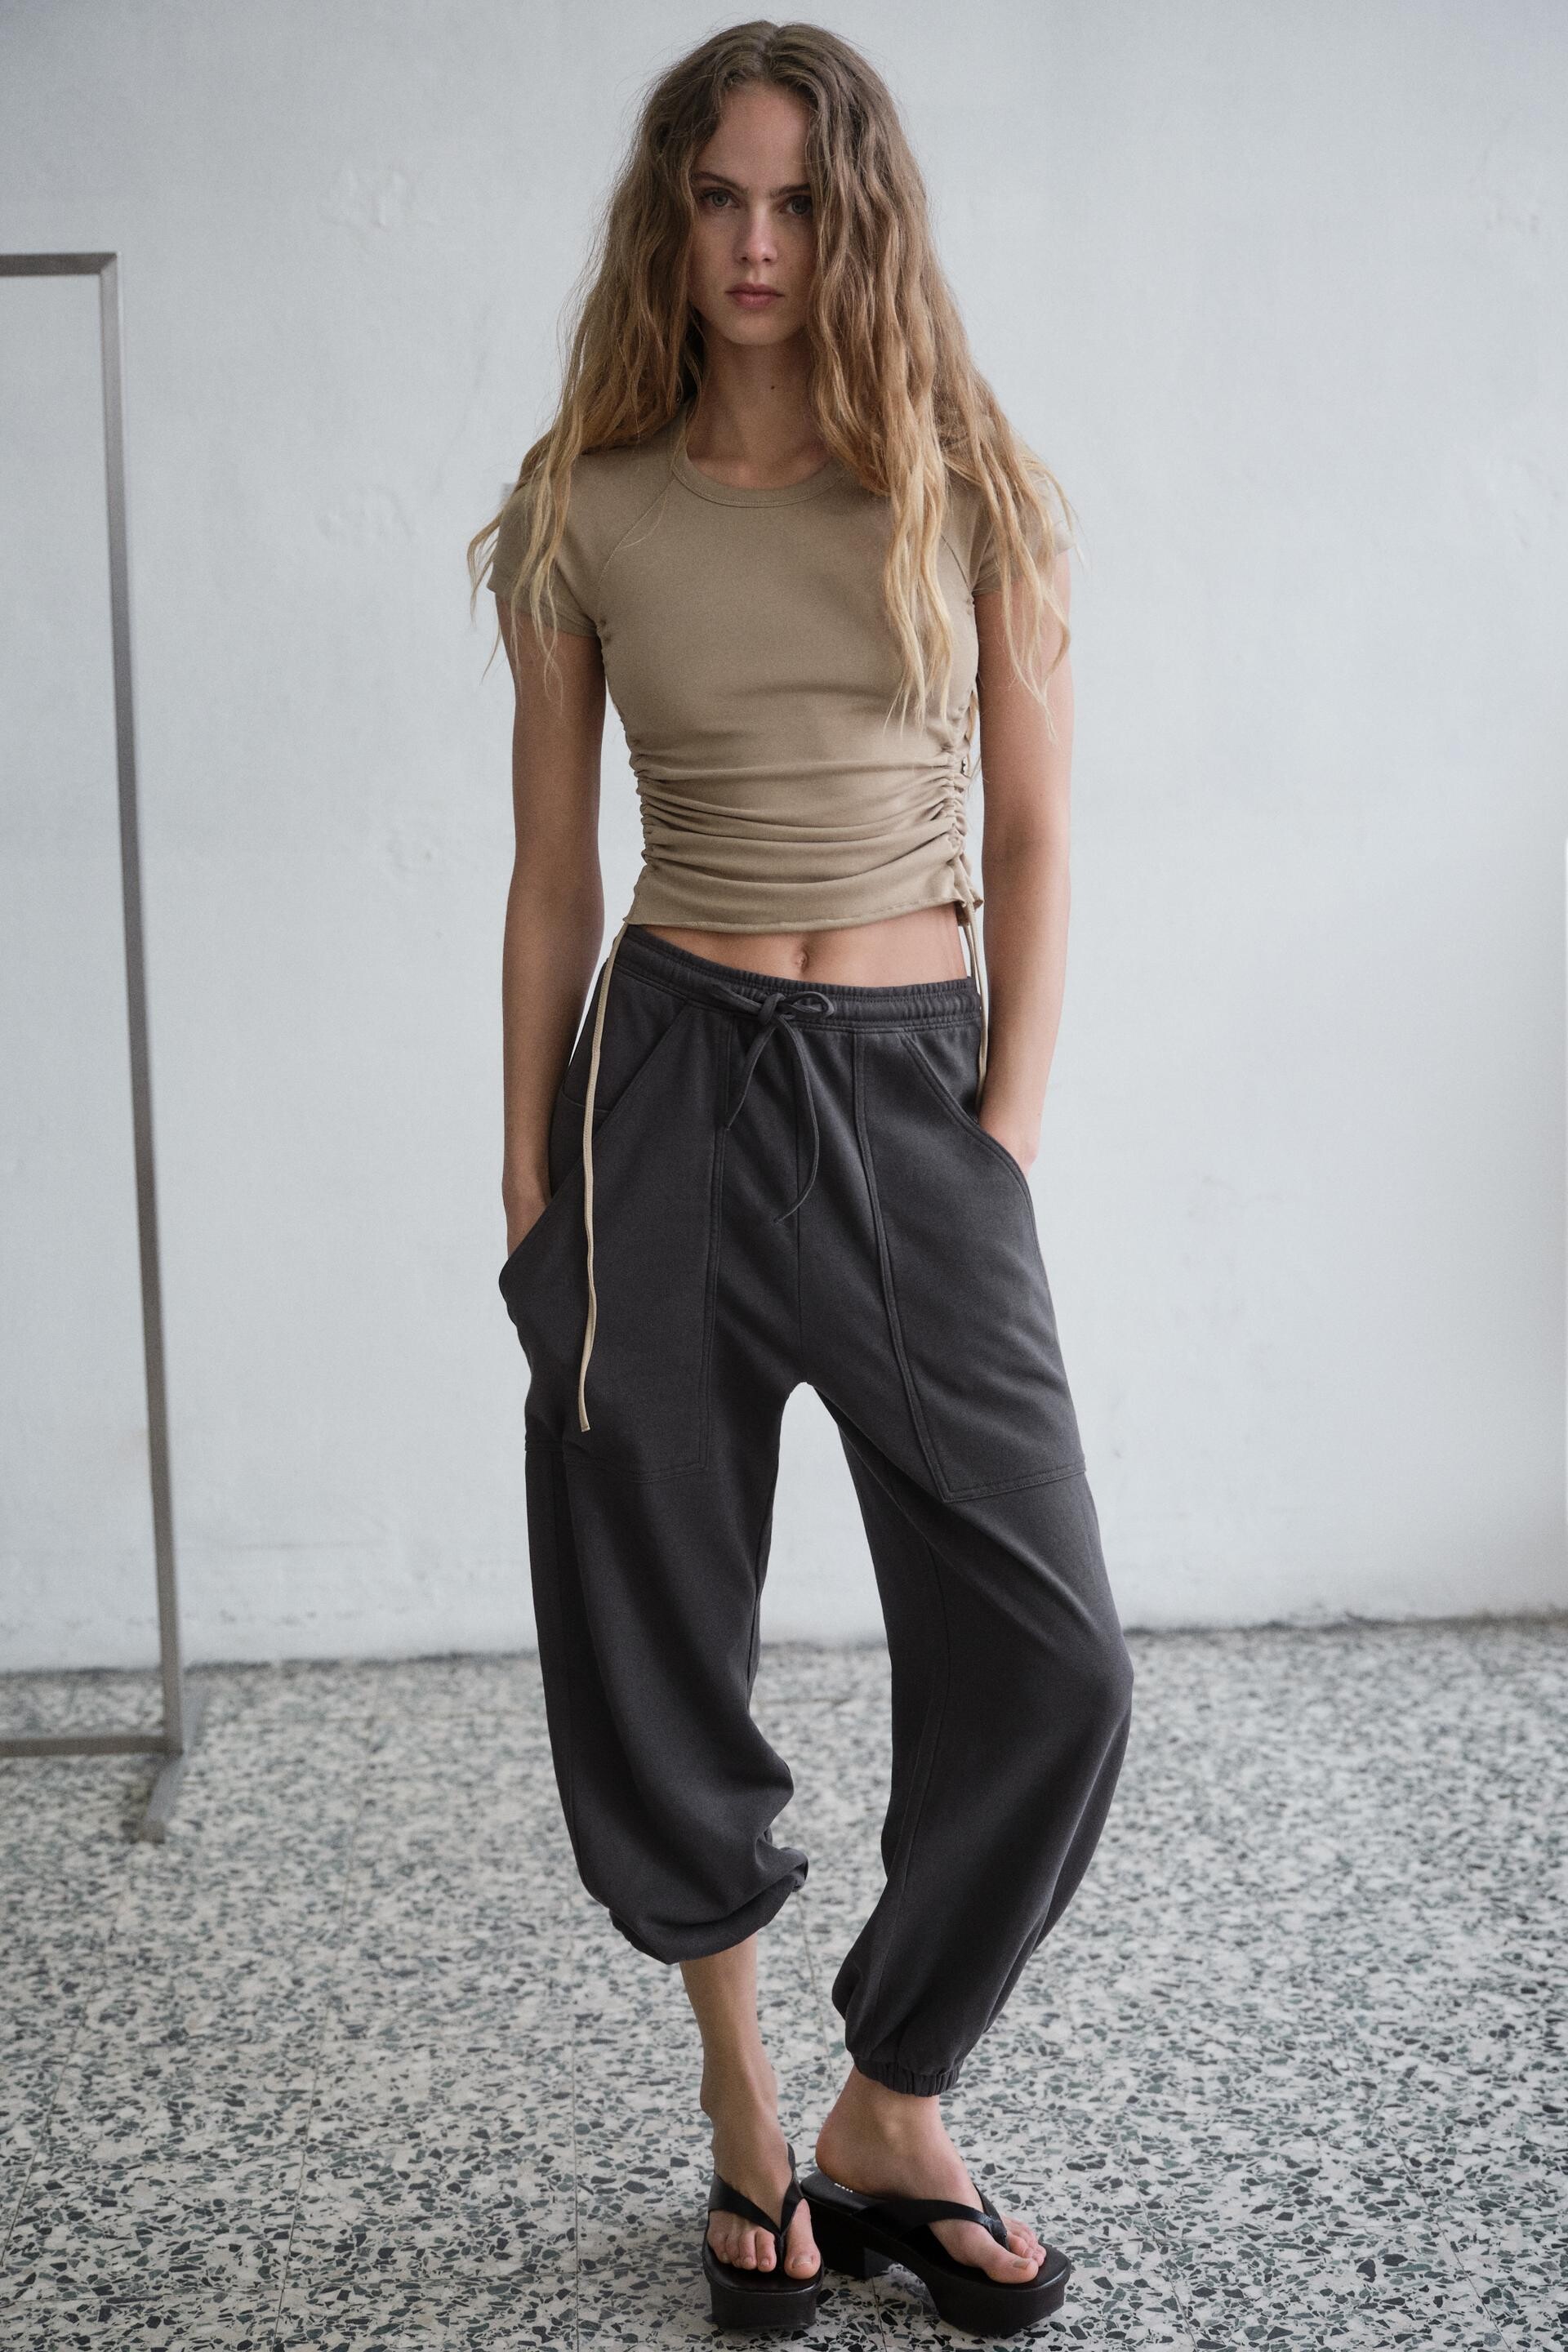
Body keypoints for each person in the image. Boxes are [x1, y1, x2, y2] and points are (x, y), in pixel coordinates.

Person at [469, 20, 1134, 2338]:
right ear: (670, 218)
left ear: (859, 224)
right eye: (719, 197)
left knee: (1056, 1660)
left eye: (800, 202)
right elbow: (553, 874)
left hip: (906, 1093)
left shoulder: (968, 487)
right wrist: (532, 1190)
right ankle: (749, 2103)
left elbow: (1037, 833)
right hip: (661, 1081)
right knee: (654, 1614)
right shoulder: (586, 504)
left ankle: (893, 2100)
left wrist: (1001, 1144)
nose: (756, 243)